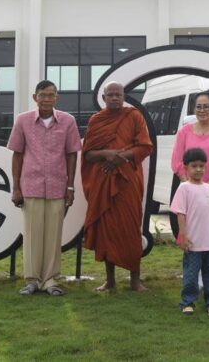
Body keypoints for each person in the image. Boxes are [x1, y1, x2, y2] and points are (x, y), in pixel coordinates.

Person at [7, 80, 81, 296]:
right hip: (31, 186)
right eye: (43, 95)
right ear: (35, 97)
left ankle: (50, 280)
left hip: (58, 187)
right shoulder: (23, 120)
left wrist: (70, 187)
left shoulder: (67, 121)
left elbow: (72, 154)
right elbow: (17, 154)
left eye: (51, 95)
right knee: (32, 235)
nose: (47, 99)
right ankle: (32, 280)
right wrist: (16, 188)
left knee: (53, 236)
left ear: (57, 98)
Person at [81, 81, 153, 292]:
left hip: (127, 181)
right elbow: (88, 155)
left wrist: (119, 158)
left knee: (131, 227)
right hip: (103, 180)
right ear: (103, 98)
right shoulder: (96, 120)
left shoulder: (134, 116)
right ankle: (110, 280)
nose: (114, 98)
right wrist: (107, 154)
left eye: (118, 95)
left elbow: (145, 147)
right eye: (110, 95)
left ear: (124, 96)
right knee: (107, 230)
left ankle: (135, 280)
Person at [169, 91, 209, 288]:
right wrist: (190, 185)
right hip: (190, 189)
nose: (203, 110)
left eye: (207, 106)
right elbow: (177, 163)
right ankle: (194, 282)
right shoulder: (184, 132)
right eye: (199, 106)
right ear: (194, 109)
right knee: (193, 232)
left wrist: (206, 187)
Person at [171, 147, 209, 315]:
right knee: (191, 274)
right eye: (194, 166)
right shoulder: (184, 188)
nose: (199, 169)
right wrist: (183, 235)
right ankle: (188, 302)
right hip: (193, 243)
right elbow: (181, 214)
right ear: (186, 167)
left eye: (202, 166)